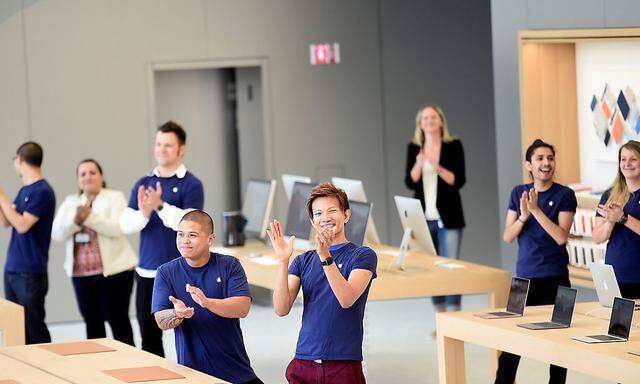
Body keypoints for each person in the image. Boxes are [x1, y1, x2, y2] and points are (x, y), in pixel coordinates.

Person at [269, 183, 377, 384]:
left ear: (346, 215)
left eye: (332, 211)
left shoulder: (363, 255)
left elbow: (346, 299)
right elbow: (281, 308)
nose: (325, 218)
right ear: (312, 221)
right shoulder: (302, 260)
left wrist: (325, 255)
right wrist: (283, 261)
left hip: (343, 365)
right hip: (303, 362)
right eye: (318, 213)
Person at [120, 121, 204, 357]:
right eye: (158, 144)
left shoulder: (191, 184)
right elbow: (125, 224)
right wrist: (145, 212)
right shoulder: (143, 182)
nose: (161, 149)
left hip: (183, 271)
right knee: (149, 335)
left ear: (181, 149)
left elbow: (191, 223)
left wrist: (159, 205)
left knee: (190, 330)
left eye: (168, 145)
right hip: (147, 272)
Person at [497, 139, 576, 384]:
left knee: (559, 346)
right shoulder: (517, 192)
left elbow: (561, 237)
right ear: (528, 165)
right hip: (524, 279)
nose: (546, 163)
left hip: (557, 278)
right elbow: (508, 236)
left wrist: (536, 210)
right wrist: (523, 216)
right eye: (540, 158)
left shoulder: (565, 194)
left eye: (550, 158)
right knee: (511, 343)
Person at [151, 210, 262, 384]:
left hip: (236, 371)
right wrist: (176, 314)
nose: (184, 241)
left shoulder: (229, 265)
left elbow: (243, 307)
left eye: (192, 235)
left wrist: (207, 303)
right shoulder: (166, 272)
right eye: (180, 234)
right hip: (194, 375)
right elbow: (161, 320)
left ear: (210, 239)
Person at [51, 159, 137, 345]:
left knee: (118, 321)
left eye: (92, 172)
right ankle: (97, 368)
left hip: (116, 272)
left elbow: (118, 228)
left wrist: (89, 217)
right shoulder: (71, 202)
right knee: (92, 323)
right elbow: (56, 233)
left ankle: (130, 365)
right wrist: (75, 222)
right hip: (81, 275)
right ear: (78, 180)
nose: (87, 177)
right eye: (83, 174)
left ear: (101, 175)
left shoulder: (115, 197)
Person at [404, 104, 466, 325]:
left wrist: (436, 166)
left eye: (433, 117)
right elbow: (410, 181)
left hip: (449, 217)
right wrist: (419, 164)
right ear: (420, 124)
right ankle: (441, 320)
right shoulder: (414, 148)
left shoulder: (453, 145)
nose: (429, 121)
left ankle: (455, 320)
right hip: (424, 217)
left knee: (450, 266)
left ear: (440, 121)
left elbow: (458, 180)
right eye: (425, 118)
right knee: (431, 267)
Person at [0, 142, 55, 344]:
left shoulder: (42, 191)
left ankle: (47, 370)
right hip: (13, 269)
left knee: (34, 327)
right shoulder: (24, 191)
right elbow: (7, 221)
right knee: (16, 327)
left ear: (20, 160)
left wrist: (1, 195)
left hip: (30, 272)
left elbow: (22, 225)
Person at [593, 140, 640, 298]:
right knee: (616, 323)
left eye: (633, 159)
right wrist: (610, 222)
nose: (627, 164)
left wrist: (623, 217)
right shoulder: (610, 194)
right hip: (615, 275)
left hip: (637, 275)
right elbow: (597, 237)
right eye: (623, 159)